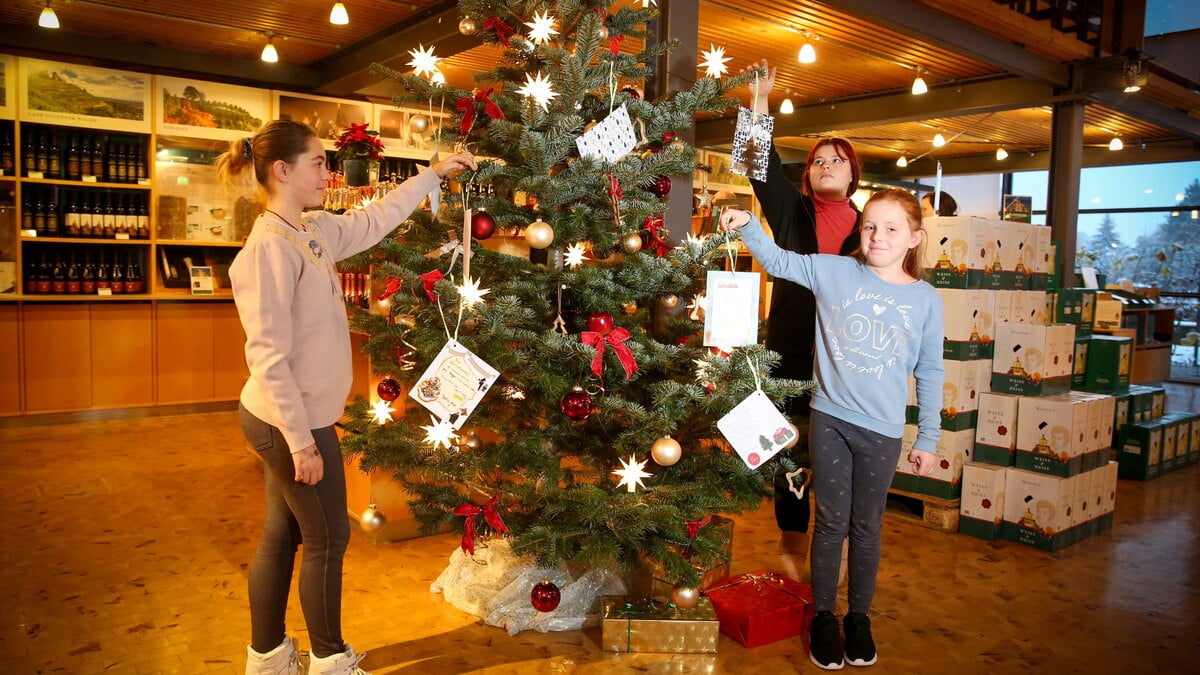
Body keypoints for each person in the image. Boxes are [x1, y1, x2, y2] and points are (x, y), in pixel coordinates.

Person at [217, 119, 475, 675]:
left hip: (295, 418)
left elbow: (372, 219)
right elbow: (267, 357)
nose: (327, 173)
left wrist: (431, 175)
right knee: (330, 537)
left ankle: (267, 658)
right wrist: (300, 442)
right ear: (282, 172)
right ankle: (330, 660)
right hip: (290, 421)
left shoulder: (308, 231)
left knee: (283, 532)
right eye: (317, 163)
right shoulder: (267, 250)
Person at [720, 189, 943, 670]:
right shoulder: (834, 271)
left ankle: (858, 618)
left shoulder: (925, 300)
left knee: (867, 529)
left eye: (891, 229)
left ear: (914, 238)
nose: (877, 236)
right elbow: (779, 261)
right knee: (830, 524)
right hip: (832, 420)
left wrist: (928, 436)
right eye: (870, 226)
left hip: (883, 431)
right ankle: (824, 616)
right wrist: (746, 225)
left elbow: (930, 371)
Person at [743, 59, 863, 569]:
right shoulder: (794, 212)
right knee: (787, 449)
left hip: (848, 356)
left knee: (841, 453)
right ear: (809, 174)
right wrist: (759, 100)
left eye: (838, 160)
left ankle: (834, 544)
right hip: (790, 352)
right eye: (818, 160)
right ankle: (792, 540)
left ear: (854, 174)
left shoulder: (871, 227)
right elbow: (756, 164)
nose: (827, 165)